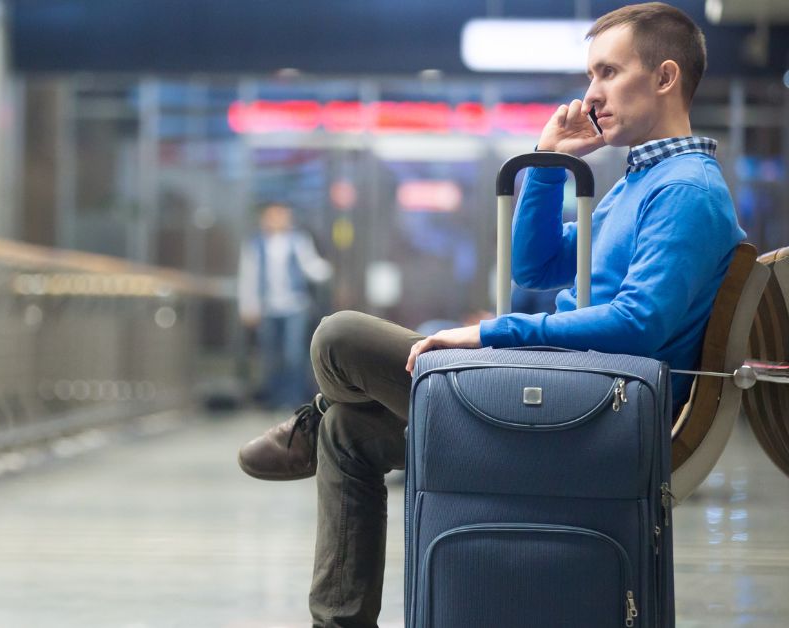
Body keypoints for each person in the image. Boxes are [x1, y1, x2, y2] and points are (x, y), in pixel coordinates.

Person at [235, 4, 746, 626]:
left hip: (598, 418)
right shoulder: (642, 183)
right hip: (575, 397)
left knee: (339, 337)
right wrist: (549, 161)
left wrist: (489, 335)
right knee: (348, 434)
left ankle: (311, 416)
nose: (591, 94)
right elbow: (536, 266)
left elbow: (639, 324)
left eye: (609, 73)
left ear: (665, 77)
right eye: (591, 75)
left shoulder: (685, 190)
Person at [237, 202, 333, 409]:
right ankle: (274, 398)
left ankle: (293, 398)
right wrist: (248, 306)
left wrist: (328, 270)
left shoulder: (298, 241)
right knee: (270, 355)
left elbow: (311, 266)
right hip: (268, 307)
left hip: (294, 306)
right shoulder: (255, 245)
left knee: (293, 354)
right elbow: (248, 277)